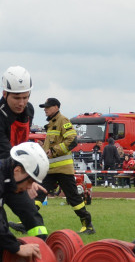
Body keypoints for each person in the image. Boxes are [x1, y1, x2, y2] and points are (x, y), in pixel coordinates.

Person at [0, 66, 48, 238]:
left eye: (25, 97)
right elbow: (5, 154)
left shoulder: (29, 111)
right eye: (16, 98)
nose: (21, 103)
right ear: (5, 94)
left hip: (12, 173)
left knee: (32, 216)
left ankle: (44, 257)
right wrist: (29, 180)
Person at [35, 97, 95, 234]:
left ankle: (88, 225)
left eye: (47, 107)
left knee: (73, 198)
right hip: (51, 170)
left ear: (56, 107)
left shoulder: (63, 120)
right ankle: (27, 222)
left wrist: (54, 150)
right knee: (38, 195)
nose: (45, 109)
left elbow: (72, 140)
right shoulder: (51, 124)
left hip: (63, 170)